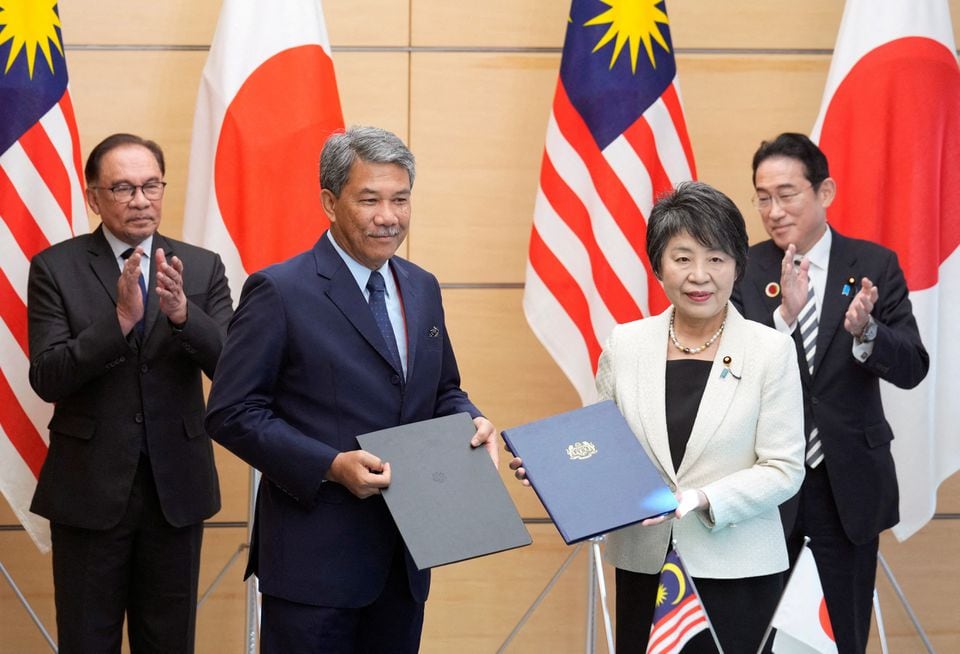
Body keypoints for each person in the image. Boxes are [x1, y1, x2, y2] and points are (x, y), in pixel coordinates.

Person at [204, 125, 498, 654]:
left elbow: (444, 389)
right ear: (329, 201)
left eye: (401, 199)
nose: (389, 216)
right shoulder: (280, 290)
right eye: (370, 200)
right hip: (315, 566)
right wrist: (329, 465)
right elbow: (231, 412)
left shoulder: (422, 286)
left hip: (405, 555)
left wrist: (470, 419)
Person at [512, 181, 805, 653]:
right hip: (645, 565)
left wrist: (702, 498)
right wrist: (556, 471)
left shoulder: (770, 350)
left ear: (736, 266)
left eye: (716, 258)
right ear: (658, 265)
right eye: (682, 257)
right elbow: (602, 446)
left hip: (736, 570)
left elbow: (785, 468)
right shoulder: (626, 345)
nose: (699, 275)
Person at [27, 133, 233, 653]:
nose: (141, 200)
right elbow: (48, 376)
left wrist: (185, 315)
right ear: (94, 197)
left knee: (168, 642)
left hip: (176, 490)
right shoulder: (56, 267)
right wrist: (119, 322)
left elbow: (235, 365)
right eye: (123, 188)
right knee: (87, 640)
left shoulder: (202, 267)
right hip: (89, 489)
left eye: (150, 186)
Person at [732, 132, 929, 653]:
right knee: (761, 638)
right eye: (763, 196)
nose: (773, 210)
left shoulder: (873, 265)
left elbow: (912, 366)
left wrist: (868, 333)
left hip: (850, 488)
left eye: (787, 193)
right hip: (766, 486)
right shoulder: (743, 271)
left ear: (825, 192)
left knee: (840, 636)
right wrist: (783, 321)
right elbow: (727, 375)